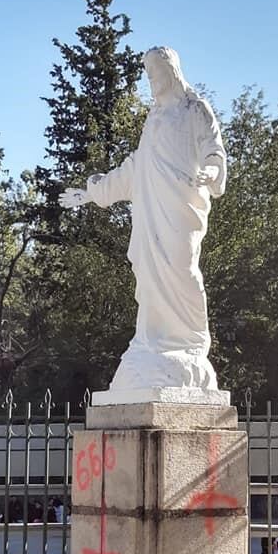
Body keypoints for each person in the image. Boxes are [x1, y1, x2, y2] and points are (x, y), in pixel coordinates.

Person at [60, 46, 227, 393]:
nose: (151, 81)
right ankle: (153, 344)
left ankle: (191, 343)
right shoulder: (153, 121)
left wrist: (211, 171)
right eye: (148, 75)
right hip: (152, 218)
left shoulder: (195, 110)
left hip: (182, 210)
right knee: (150, 277)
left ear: (172, 71)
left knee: (182, 271)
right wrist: (91, 193)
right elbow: (135, 168)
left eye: (156, 73)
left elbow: (213, 148)